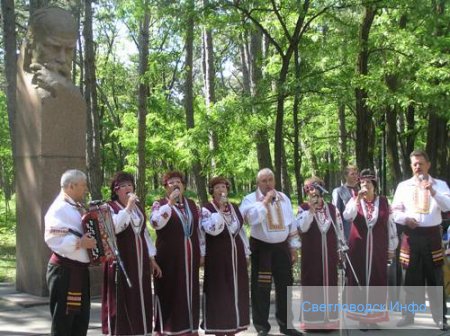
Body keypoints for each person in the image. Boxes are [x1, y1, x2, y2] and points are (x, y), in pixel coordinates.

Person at [240, 168, 302, 336]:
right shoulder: (250, 199)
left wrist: (293, 247)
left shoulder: (284, 198)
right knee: (261, 288)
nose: (268, 184)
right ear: (257, 183)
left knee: (285, 286)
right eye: (264, 181)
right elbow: (251, 220)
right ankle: (261, 326)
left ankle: (286, 325)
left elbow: (292, 224)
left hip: (282, 248)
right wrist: (265, 201)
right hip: (262, 249)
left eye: (270, 180)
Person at [392, 150, 450, 330]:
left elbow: (448, 206)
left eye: (421, 163)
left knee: (435, 277)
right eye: (414, 164)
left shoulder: (439, 185)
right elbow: (395, 211)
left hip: (432, 236)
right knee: (409, 277)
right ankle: (409, 315)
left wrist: (431, 190)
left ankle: (440, 317)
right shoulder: (403, 186)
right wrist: (405, 219)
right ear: (411, 166)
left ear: (428, 164)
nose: (418, 167)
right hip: (411, 236)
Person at [102, 172, 162, 335]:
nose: (128, 188)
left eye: (130, 185)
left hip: (140, 260)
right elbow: (115, 227)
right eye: (124, 186)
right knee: (124, 298)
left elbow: (144, 234)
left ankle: (142, 331)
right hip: (123, 260)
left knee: (140, 296)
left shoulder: (138, 208)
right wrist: (128, 207)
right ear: (116, 190)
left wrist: (151, 258)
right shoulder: (109, 207)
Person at [150, 171, 204, 335]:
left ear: (184, 185)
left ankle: (189, 329)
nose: (175, 185)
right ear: (165, 187)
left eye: (178, 182)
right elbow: (155, 223)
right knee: (171, 292)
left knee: (190, 292)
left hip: (190, 258)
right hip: (169, 259)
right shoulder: (159, 204)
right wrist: (170, 204)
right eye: (171, 182)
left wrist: (202, 252)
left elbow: (199, 230)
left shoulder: (192, 205)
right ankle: (169, 330)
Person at [343, 169, 398, 329]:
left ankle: (374, 317)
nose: (364, 185)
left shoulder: (383, 201)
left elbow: (390, 224)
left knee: (377, 279)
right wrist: (357, 199)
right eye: (362, 182)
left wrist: (391, 247)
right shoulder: (354, 200)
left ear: (374, 185)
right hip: (358, 247)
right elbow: (348, 216)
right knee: (360, 278)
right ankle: (361, 318)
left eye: (367, 182)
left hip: (378, 247)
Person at [44, 169, 96, 336]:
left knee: (80, 321)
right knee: (63, 323)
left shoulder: (76, 206)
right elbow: (52, 238)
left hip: (78, 272)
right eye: (83, 185)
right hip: (64, 273)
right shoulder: (58, 208)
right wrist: (79, 243)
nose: (86, 189)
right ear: (71, 186)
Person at [201, 176, 250, 335]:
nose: (221, 190)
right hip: (217, 257)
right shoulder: (206, 209)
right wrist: (220, 211)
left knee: (236, 291)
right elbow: (212, 229)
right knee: (220, 292)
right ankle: (219, 328)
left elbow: (240, 231)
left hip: (236, 257)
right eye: (217, 188)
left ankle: (234, 327)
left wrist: (246, 252)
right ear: (212, 192)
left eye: (223, 187)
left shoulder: (235, 208)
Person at [295, 177, 344, 330]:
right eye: (309, 189)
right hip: (311, 254)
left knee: (330, 283)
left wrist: (341, 248)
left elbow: (339, 229)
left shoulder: (332, 208)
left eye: (316, 189)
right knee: (312, 282)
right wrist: (311, 210)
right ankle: (312, 322)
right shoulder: (302, 208)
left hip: (329, 254)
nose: (313, 193)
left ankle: (329, 321)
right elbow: (302, 228)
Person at [18, 6, 81, 99]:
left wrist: (61, 86)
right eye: (54, 48)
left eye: (69, 50)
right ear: (31, 44)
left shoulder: (71, 90)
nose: (62, 59)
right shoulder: (21, 81)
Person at [332, 165, 359, 241]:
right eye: (352, 174)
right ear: (346, 176)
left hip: (361, 231)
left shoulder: (361, 191)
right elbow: (336, 214)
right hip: (347, 233)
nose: (355, 176)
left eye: (356, 173)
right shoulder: (339, 191)